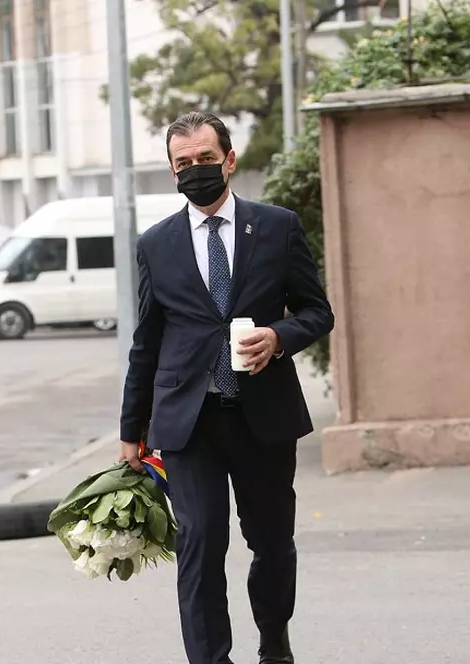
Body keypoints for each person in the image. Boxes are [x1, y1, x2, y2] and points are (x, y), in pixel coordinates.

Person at [118, 111, 335, 664]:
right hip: (188, 423)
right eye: (183, 163)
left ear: (229, 160)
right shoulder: (156, 244)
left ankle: (274, 645)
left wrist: (278, 336)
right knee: (199, 544)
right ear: (172, 171)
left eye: (205, 160)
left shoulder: (277, 226)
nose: (195, 171)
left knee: (270, 543)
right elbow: (147, 339)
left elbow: (318, 312)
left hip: (262, 415)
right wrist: (130, 430)